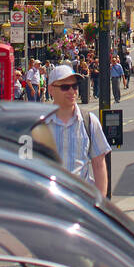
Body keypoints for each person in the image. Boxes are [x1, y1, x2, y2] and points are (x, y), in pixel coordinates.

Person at [42, 64, 109, 195]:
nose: (72, 91)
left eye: (75, 86)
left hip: (80, 203)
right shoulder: (38, 124)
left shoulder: (89, 121)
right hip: (48, 203)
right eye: (65, 87)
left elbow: (99, 165)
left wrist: (100, 205)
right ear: (50, 89)